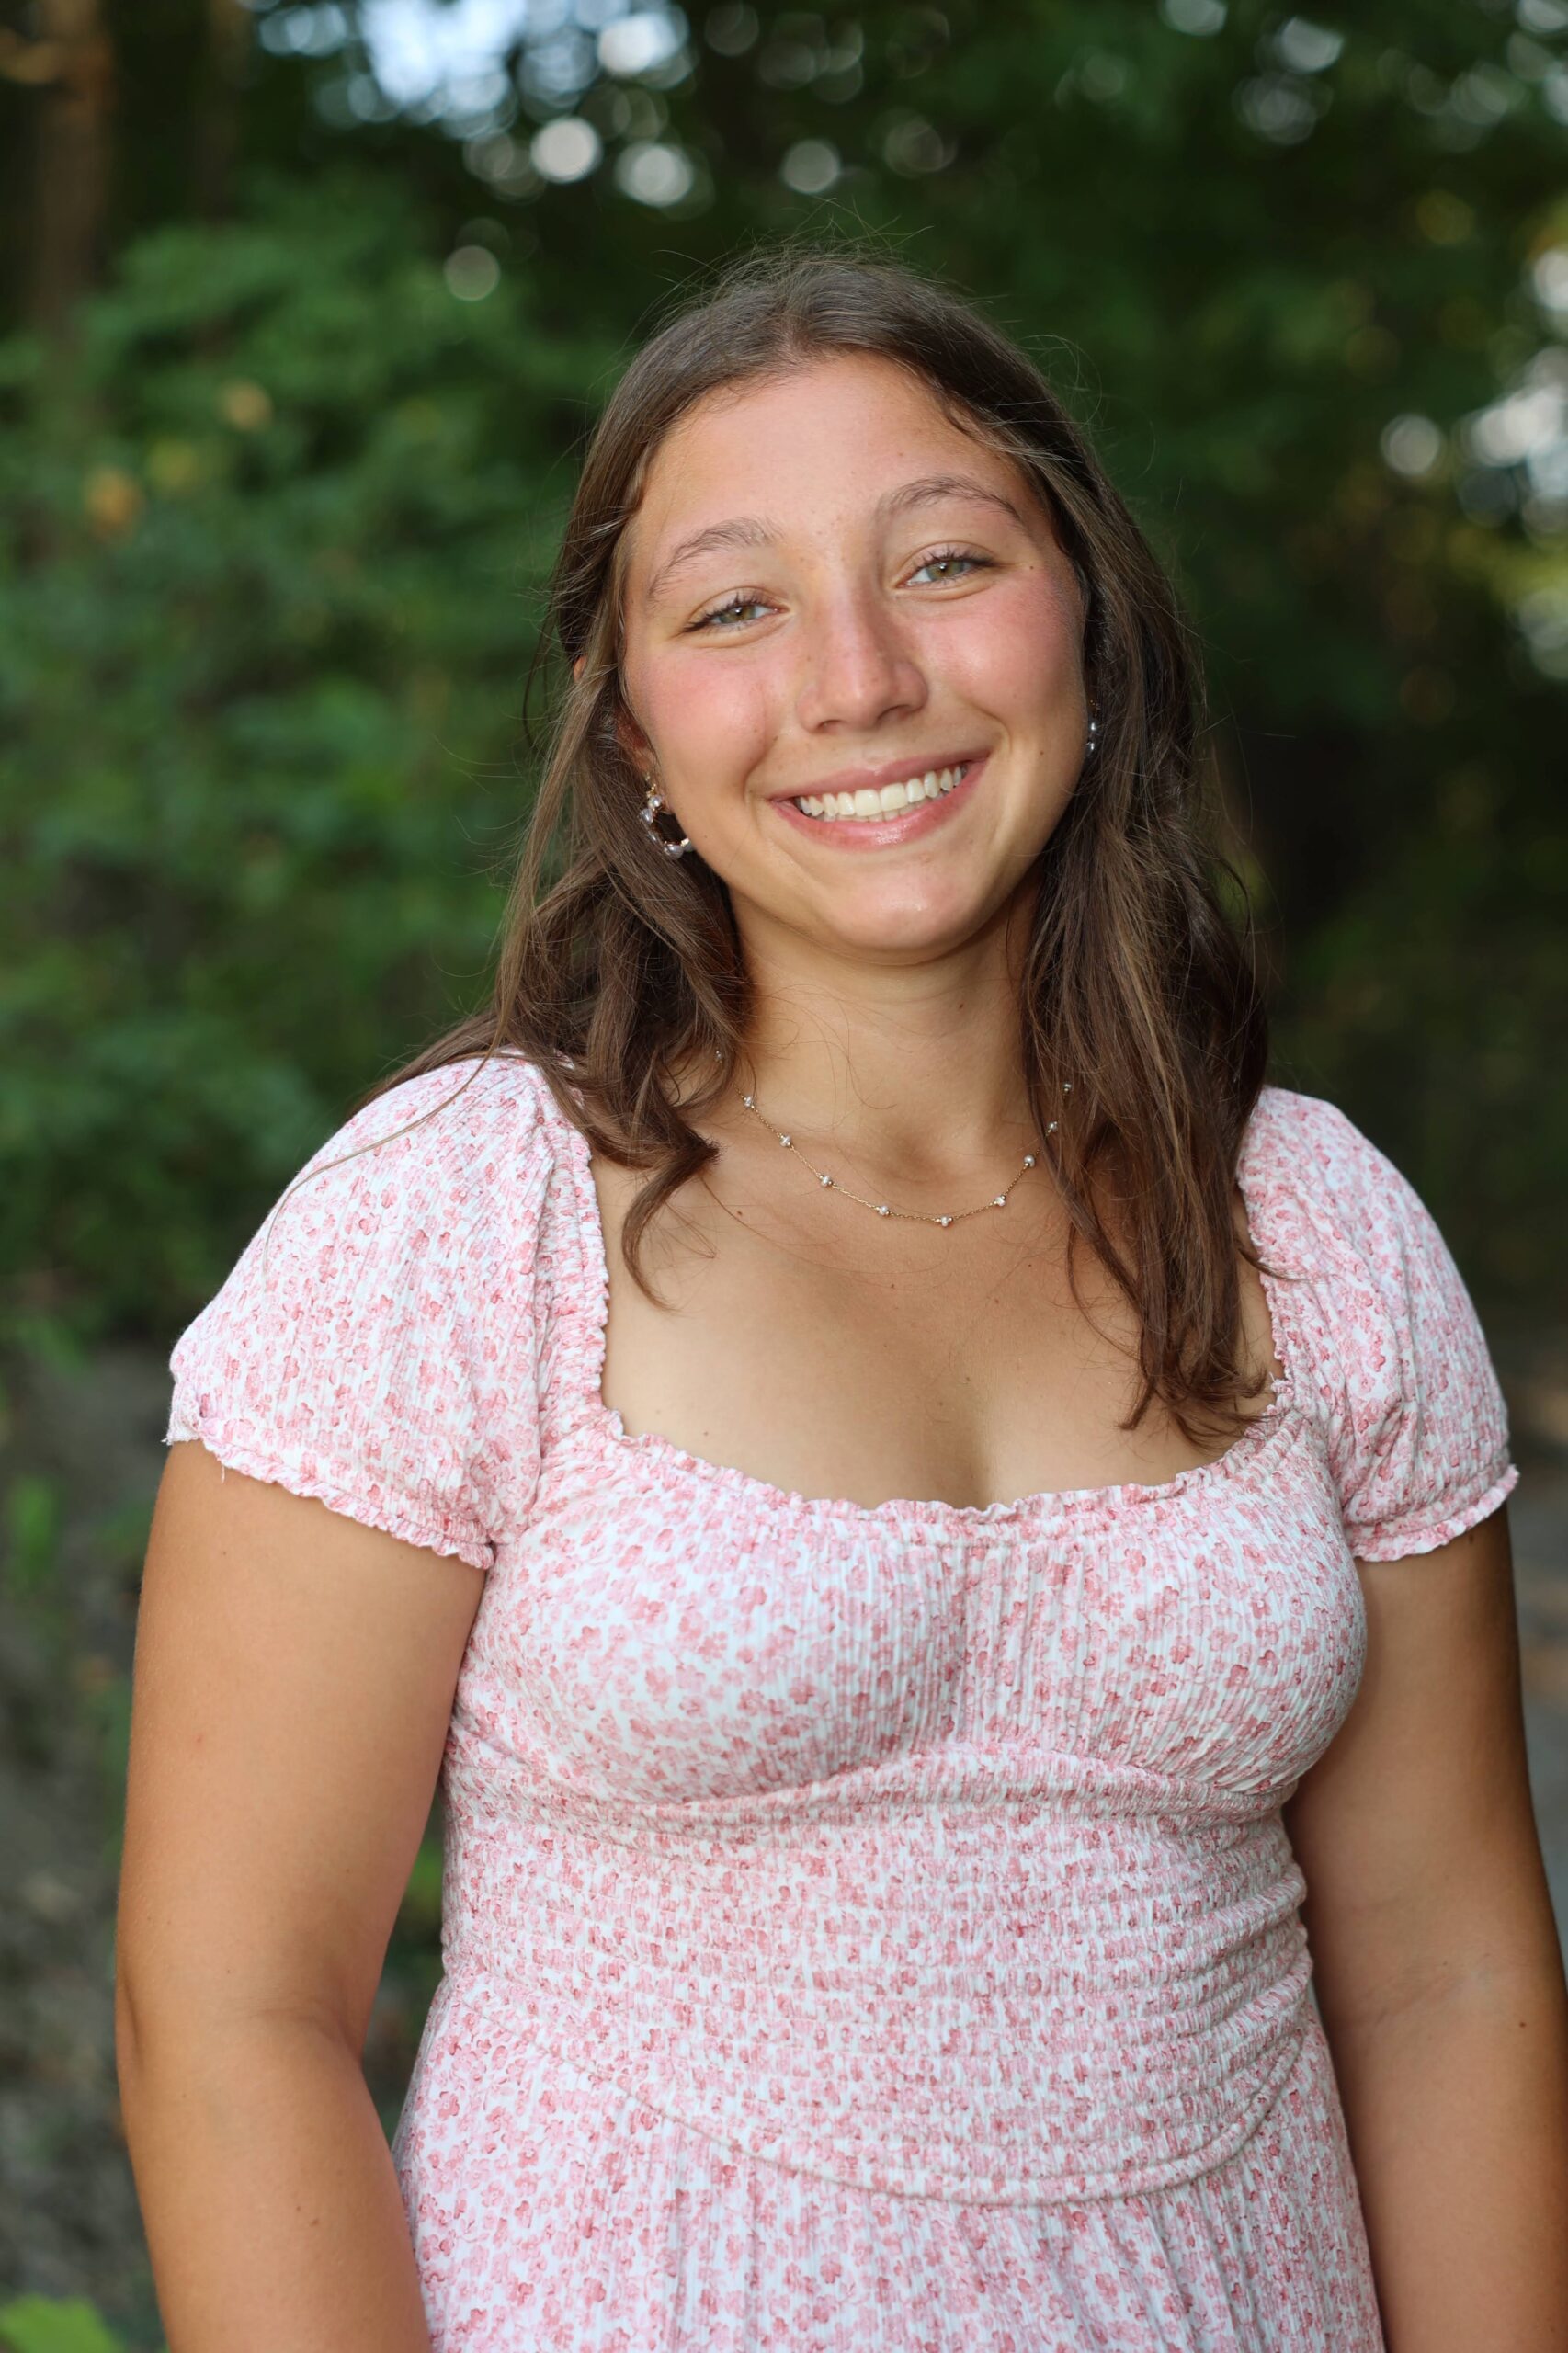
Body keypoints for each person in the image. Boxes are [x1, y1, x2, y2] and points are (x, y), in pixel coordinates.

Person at [115, 246, 1568, 2353]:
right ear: (634, 726)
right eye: (736, 606)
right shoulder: (451, 1223)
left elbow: (1447, 1977)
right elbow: (231, 2011)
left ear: (1088, 627)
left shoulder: (1312, 1223)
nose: (860, 676)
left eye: (944, 562)